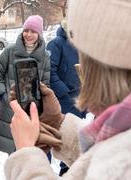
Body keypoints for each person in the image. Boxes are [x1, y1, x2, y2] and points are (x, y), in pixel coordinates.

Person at [4, 0, 131, 179]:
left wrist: (26, 155)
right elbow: (103, 154)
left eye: (83, 54)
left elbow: (111, 161)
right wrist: (58, 124)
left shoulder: (128, 164)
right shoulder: (128, 136)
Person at [0, 15, 50, 154]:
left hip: (32, 111)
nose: (28, 34)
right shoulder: (10, 51)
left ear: (39, 34)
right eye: (26, 30)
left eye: (33, 31)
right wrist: (4, 96)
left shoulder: (45, 56)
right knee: (14, 155)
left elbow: (46, 84)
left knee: (30, 154)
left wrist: (37, 104)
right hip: (9, 109)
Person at [46, 20, 86, 175]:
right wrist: (65, 92)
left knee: (79, 138)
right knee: (67, 138)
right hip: (66, 100)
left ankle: (74, 171)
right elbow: (50, 70)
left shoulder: (82, 44)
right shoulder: (56, 44)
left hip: (82, 98)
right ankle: (66, 171)